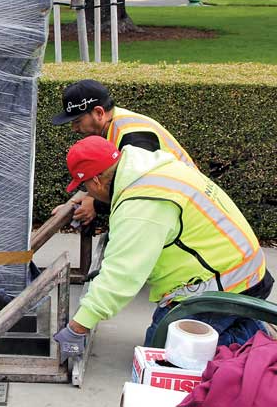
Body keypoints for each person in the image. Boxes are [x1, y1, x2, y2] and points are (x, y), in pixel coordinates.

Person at [52, 136, 272, 361]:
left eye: (85, 185)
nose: (87, 191)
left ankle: (258, 346)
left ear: (97, 181)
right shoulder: (151, 167)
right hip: (245, 268)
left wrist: (78, 327)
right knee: (168, 343)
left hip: (229, 283)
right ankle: (245, 326)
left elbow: (123, 273)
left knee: (167, 356)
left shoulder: (142, 203)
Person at [51, 79, 194, 224]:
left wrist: (95, 204)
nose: (74, 129)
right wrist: (91, 196)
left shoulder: (133, 137)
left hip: (187, 210)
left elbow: (140, 190)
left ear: (99, 113)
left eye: (77, 121)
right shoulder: (116, 123)